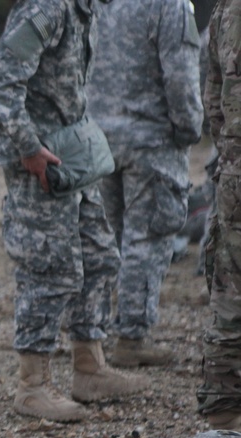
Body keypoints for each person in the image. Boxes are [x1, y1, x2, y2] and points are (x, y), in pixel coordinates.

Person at [0, 0, 144, 424]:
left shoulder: (83, 9)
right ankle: (32, 386)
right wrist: (28, 147)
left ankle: (89, 367)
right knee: (49, 268)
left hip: (71, 155)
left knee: (99, 255)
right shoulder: (48, 8)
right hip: (39, 161)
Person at [86, 0, 203, 368]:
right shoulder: (168, 4)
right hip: (152, 141)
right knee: (146, 239)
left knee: (106, 238)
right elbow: (181, 74)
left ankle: (92, 334)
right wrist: (189, 128)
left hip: (98, 137)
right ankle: (131, 339)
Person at [197, 0, 241, 430]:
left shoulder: (225, 9)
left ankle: (224, 422)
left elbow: (212, 92)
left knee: (230, 295)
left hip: (235, 171)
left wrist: (230, 153)